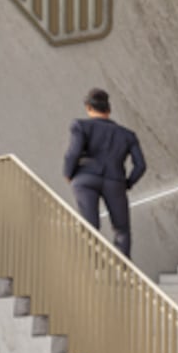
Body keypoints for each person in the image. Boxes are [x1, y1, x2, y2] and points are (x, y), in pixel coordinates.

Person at [63, 88, 146, 259]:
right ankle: (123, 274)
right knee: (122, 229)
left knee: (90, 226)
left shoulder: (80, 126)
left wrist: (68, 173)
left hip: (85, 178)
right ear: (109, 110)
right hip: (115, 181)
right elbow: (141, 166)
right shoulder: (127, 135)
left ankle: (92, 269)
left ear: (88, 107)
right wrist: (127, 183)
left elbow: (73, 152)